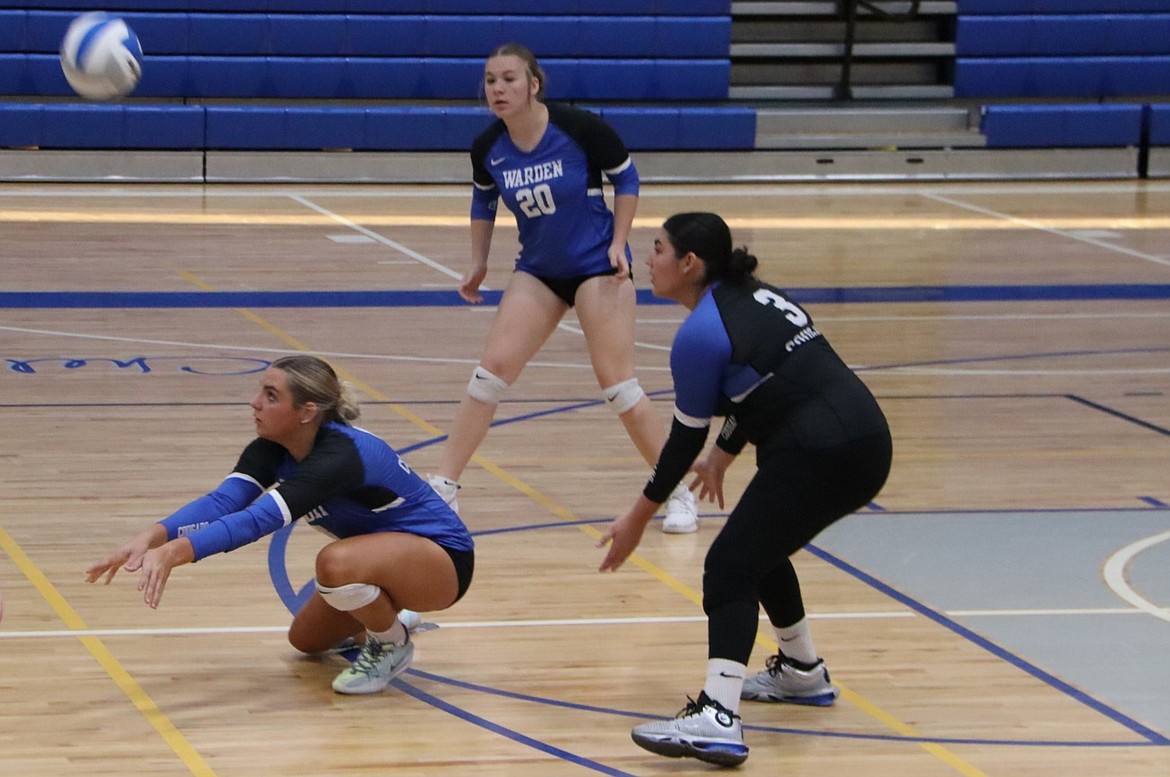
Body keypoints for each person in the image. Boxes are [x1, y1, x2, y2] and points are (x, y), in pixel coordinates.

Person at [598, 213, 892, 766]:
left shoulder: (700, 335)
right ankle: (802, 672)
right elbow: (765, 390)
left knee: (730, 565)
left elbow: (682, 442)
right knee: (758, 547)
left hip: (819, 448)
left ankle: (718, 716)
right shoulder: (756, 296)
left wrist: (638, 517)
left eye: (657, 249)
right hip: (865, 438)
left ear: (689, 264)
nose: (649, 259)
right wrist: (725, 455)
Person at [426, 42, 698, 533]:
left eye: (509, 79)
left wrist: (619, 243)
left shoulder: (578, 128)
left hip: (598, 267)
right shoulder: (489, 147)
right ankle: (443, 488)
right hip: (539, 272)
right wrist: (478, 263)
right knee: (489, 375)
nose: (498, 89)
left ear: (534, 84)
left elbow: (628, 179)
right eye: (490, 80)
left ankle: (677, 490)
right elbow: (482, 204)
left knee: (618, 385)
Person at [85, 355, 474, 696]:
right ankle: (390, 614)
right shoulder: (274, 447)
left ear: (307, 411)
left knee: (334, 564)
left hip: (443, 562)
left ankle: (391, 643)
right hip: (384, 561)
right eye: (260, 391)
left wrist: (174, 555)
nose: (255, 403)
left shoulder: (340, 456)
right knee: (306, 641)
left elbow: (258, 520)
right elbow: (222, 503)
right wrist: (150, 538)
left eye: (271, 396)